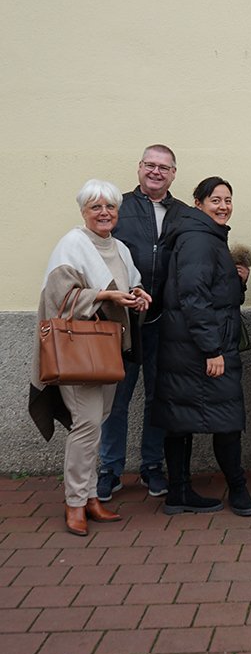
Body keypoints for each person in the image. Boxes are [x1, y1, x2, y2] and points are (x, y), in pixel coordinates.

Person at [30, 180, 152, 536]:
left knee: (96, 422)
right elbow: (58, 298)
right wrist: (106, 297)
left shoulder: (120, 248)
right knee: (85, 426)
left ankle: (90, 498)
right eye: (95, 207)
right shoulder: (73, 244)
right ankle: (75, 502)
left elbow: (130, 285)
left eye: (110, 207)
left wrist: (138, 296)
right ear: (83, 211)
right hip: (79, 350)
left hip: (107, 350)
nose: (104, 213)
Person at [154, 177, 251, 517]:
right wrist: (212, 349)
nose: (224, 205)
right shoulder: (199, 239)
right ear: (198, 203)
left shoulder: (205, 236)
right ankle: (237, 488)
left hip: (191, 346)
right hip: (202, 348)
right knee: (226, 419)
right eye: (216, 200)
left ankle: (179, 492)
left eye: (228, 199)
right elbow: (194, 299)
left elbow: (212, 293)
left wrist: (236, 282)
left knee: (181, 420)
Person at [98, 144, 185, 502]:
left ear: (173, 174)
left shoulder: (183, 213)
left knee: (157, 396)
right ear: (139, 168)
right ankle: (110, 469)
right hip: (121, 320)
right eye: (150, 165)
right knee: (116, 398)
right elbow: (99, 251)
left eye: (164, 167)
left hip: (164, 319)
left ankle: (152, 466)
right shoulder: (118, 207)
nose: (156, 172)